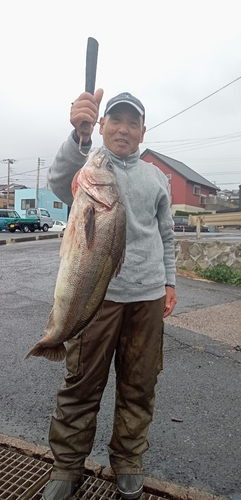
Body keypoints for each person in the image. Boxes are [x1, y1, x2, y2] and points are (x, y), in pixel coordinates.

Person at [42, 89, 177, 500]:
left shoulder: (157, 177)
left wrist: (169, 283)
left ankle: (128, 461)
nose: (122, 129)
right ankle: (67, 466)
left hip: (148, 296)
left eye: (131, 122)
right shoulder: (89, 169)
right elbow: (59, 182)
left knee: (140, 384)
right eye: (113, 121)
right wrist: (78, 137)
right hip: (97, 297)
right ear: (102, 127)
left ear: (142, 131)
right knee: (81, 383)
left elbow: (166, 235)